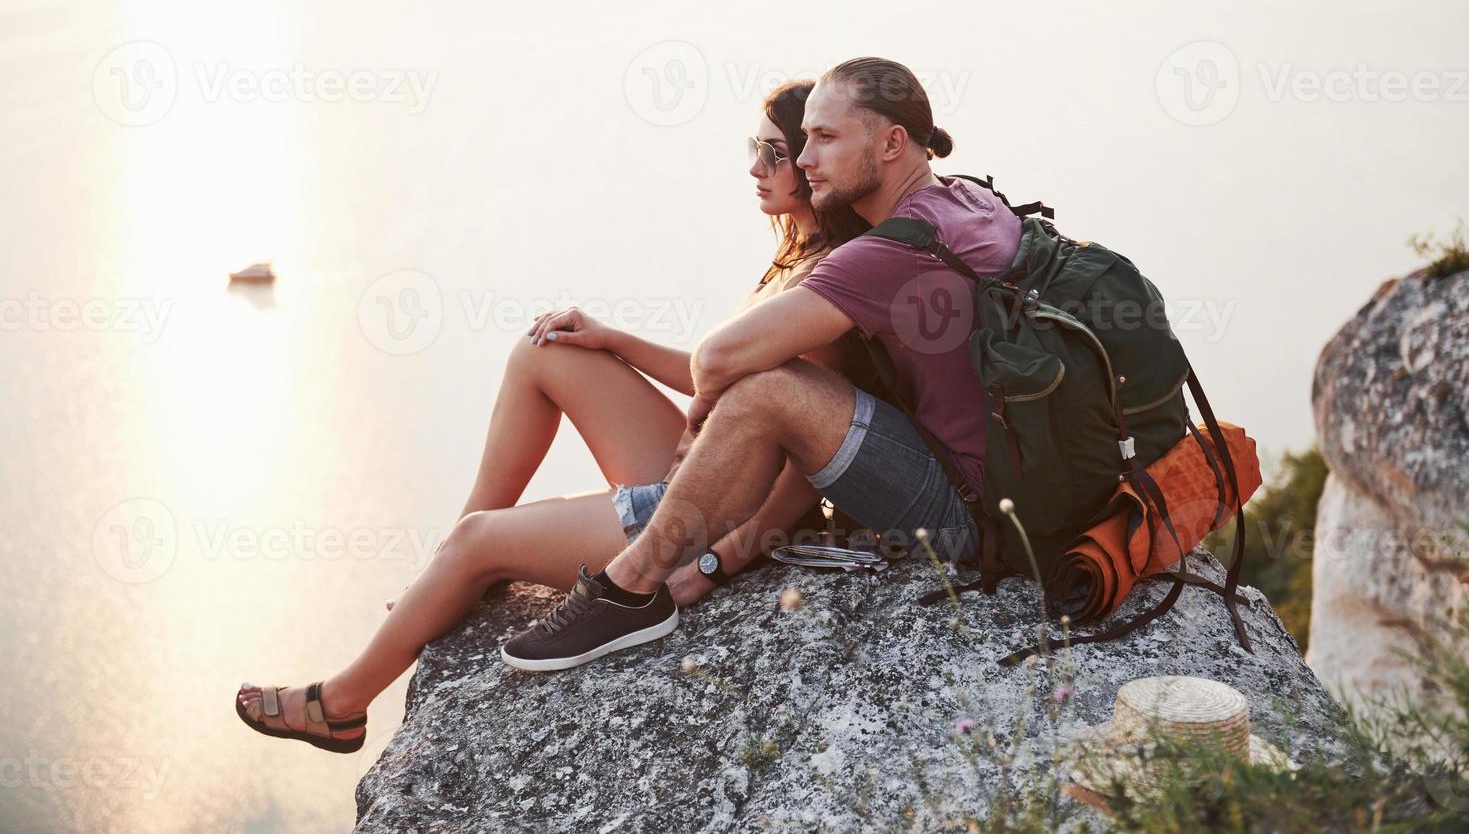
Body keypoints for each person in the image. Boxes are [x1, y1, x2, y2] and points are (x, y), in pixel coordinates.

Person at [235, 80, 875, 751]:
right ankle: (446, 569)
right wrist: (613, 340)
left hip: (710, 509)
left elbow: (808, 451)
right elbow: (729, 379)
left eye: (773, 153)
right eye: (756, 148)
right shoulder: (795, 253)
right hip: (704, 459)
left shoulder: (823, 284)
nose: (754, 167)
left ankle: (340, 704)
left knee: (481, 540)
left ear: (812, 162)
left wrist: (721, 560)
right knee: (545, 351)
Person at [498, 57, 1024, 672]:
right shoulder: (968, 199)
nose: (804, 160)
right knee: (772, 380)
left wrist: (699, 421)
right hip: (1007, 484)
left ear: (891, 143)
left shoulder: (890, 249)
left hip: (969, 518)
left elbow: (721, 356)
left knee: (768, 389)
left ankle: (632, 588)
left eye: (824, 139)